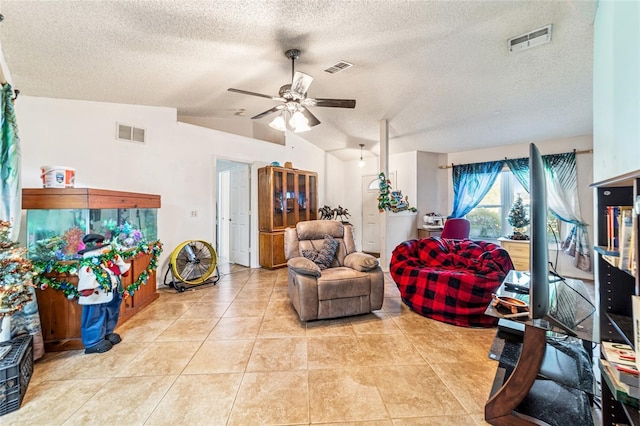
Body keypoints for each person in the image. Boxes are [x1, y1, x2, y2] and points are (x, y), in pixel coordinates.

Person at [77, 234, 130, 354]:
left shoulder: (108, 260)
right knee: (94, 315)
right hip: (97, 295)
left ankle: (108, 332)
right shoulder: (88, 264)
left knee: (111, 312)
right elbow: (87, 278)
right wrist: (87, 288)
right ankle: (93, 342)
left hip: (112, 292)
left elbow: (119, 268)